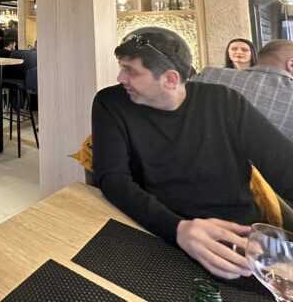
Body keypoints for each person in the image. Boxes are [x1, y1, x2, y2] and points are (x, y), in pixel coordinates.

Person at [92, 30, 293, 280]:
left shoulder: (224, 102)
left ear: (170, 79)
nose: (120, 78)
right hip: (156, 232)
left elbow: (285, 168)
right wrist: (178, 229)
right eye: (121, 67)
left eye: (130, 70)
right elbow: (112, 178)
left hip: (237, 237)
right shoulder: (111, 103)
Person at [193, 39, 293, 141]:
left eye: (244, 50)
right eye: (234, 49)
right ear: (291, 64)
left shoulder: (209, 75)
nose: (239, 52)